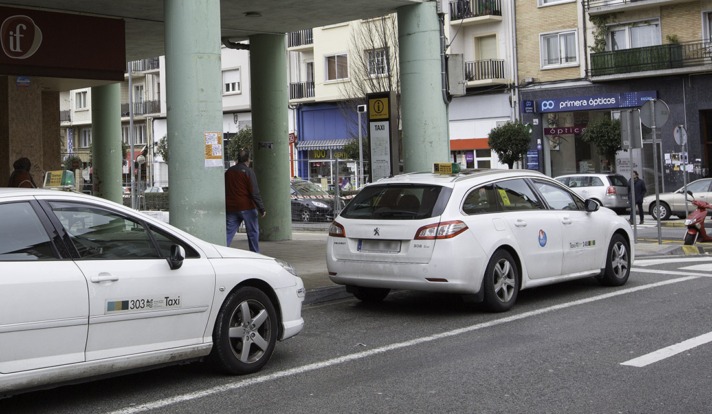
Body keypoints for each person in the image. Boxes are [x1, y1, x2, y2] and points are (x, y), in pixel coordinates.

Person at [225, 149, 266, 252]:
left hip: (231, 208)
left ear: (237, 159)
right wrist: (261, 209)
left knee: (228, 234)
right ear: (248, 159)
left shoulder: (228, 172)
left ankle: (221, 252)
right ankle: (255, 254)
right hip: (247, 207)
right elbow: (254, 192)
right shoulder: (248, 172)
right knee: (253, 233)